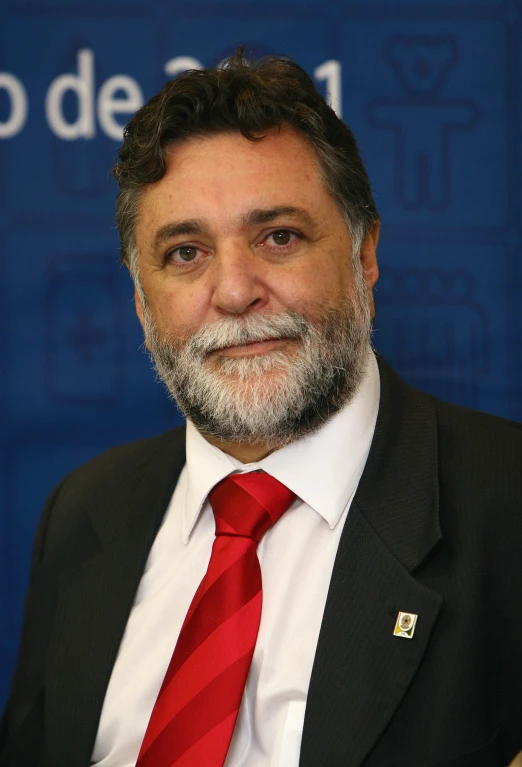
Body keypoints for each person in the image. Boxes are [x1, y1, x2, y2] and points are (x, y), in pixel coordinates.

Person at [1, 49, 521, 767]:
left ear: (365, 251)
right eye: (185, 252)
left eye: (279, 236)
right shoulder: (83, 512)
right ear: (139, 297)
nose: (236, 291)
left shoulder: (506, 503)